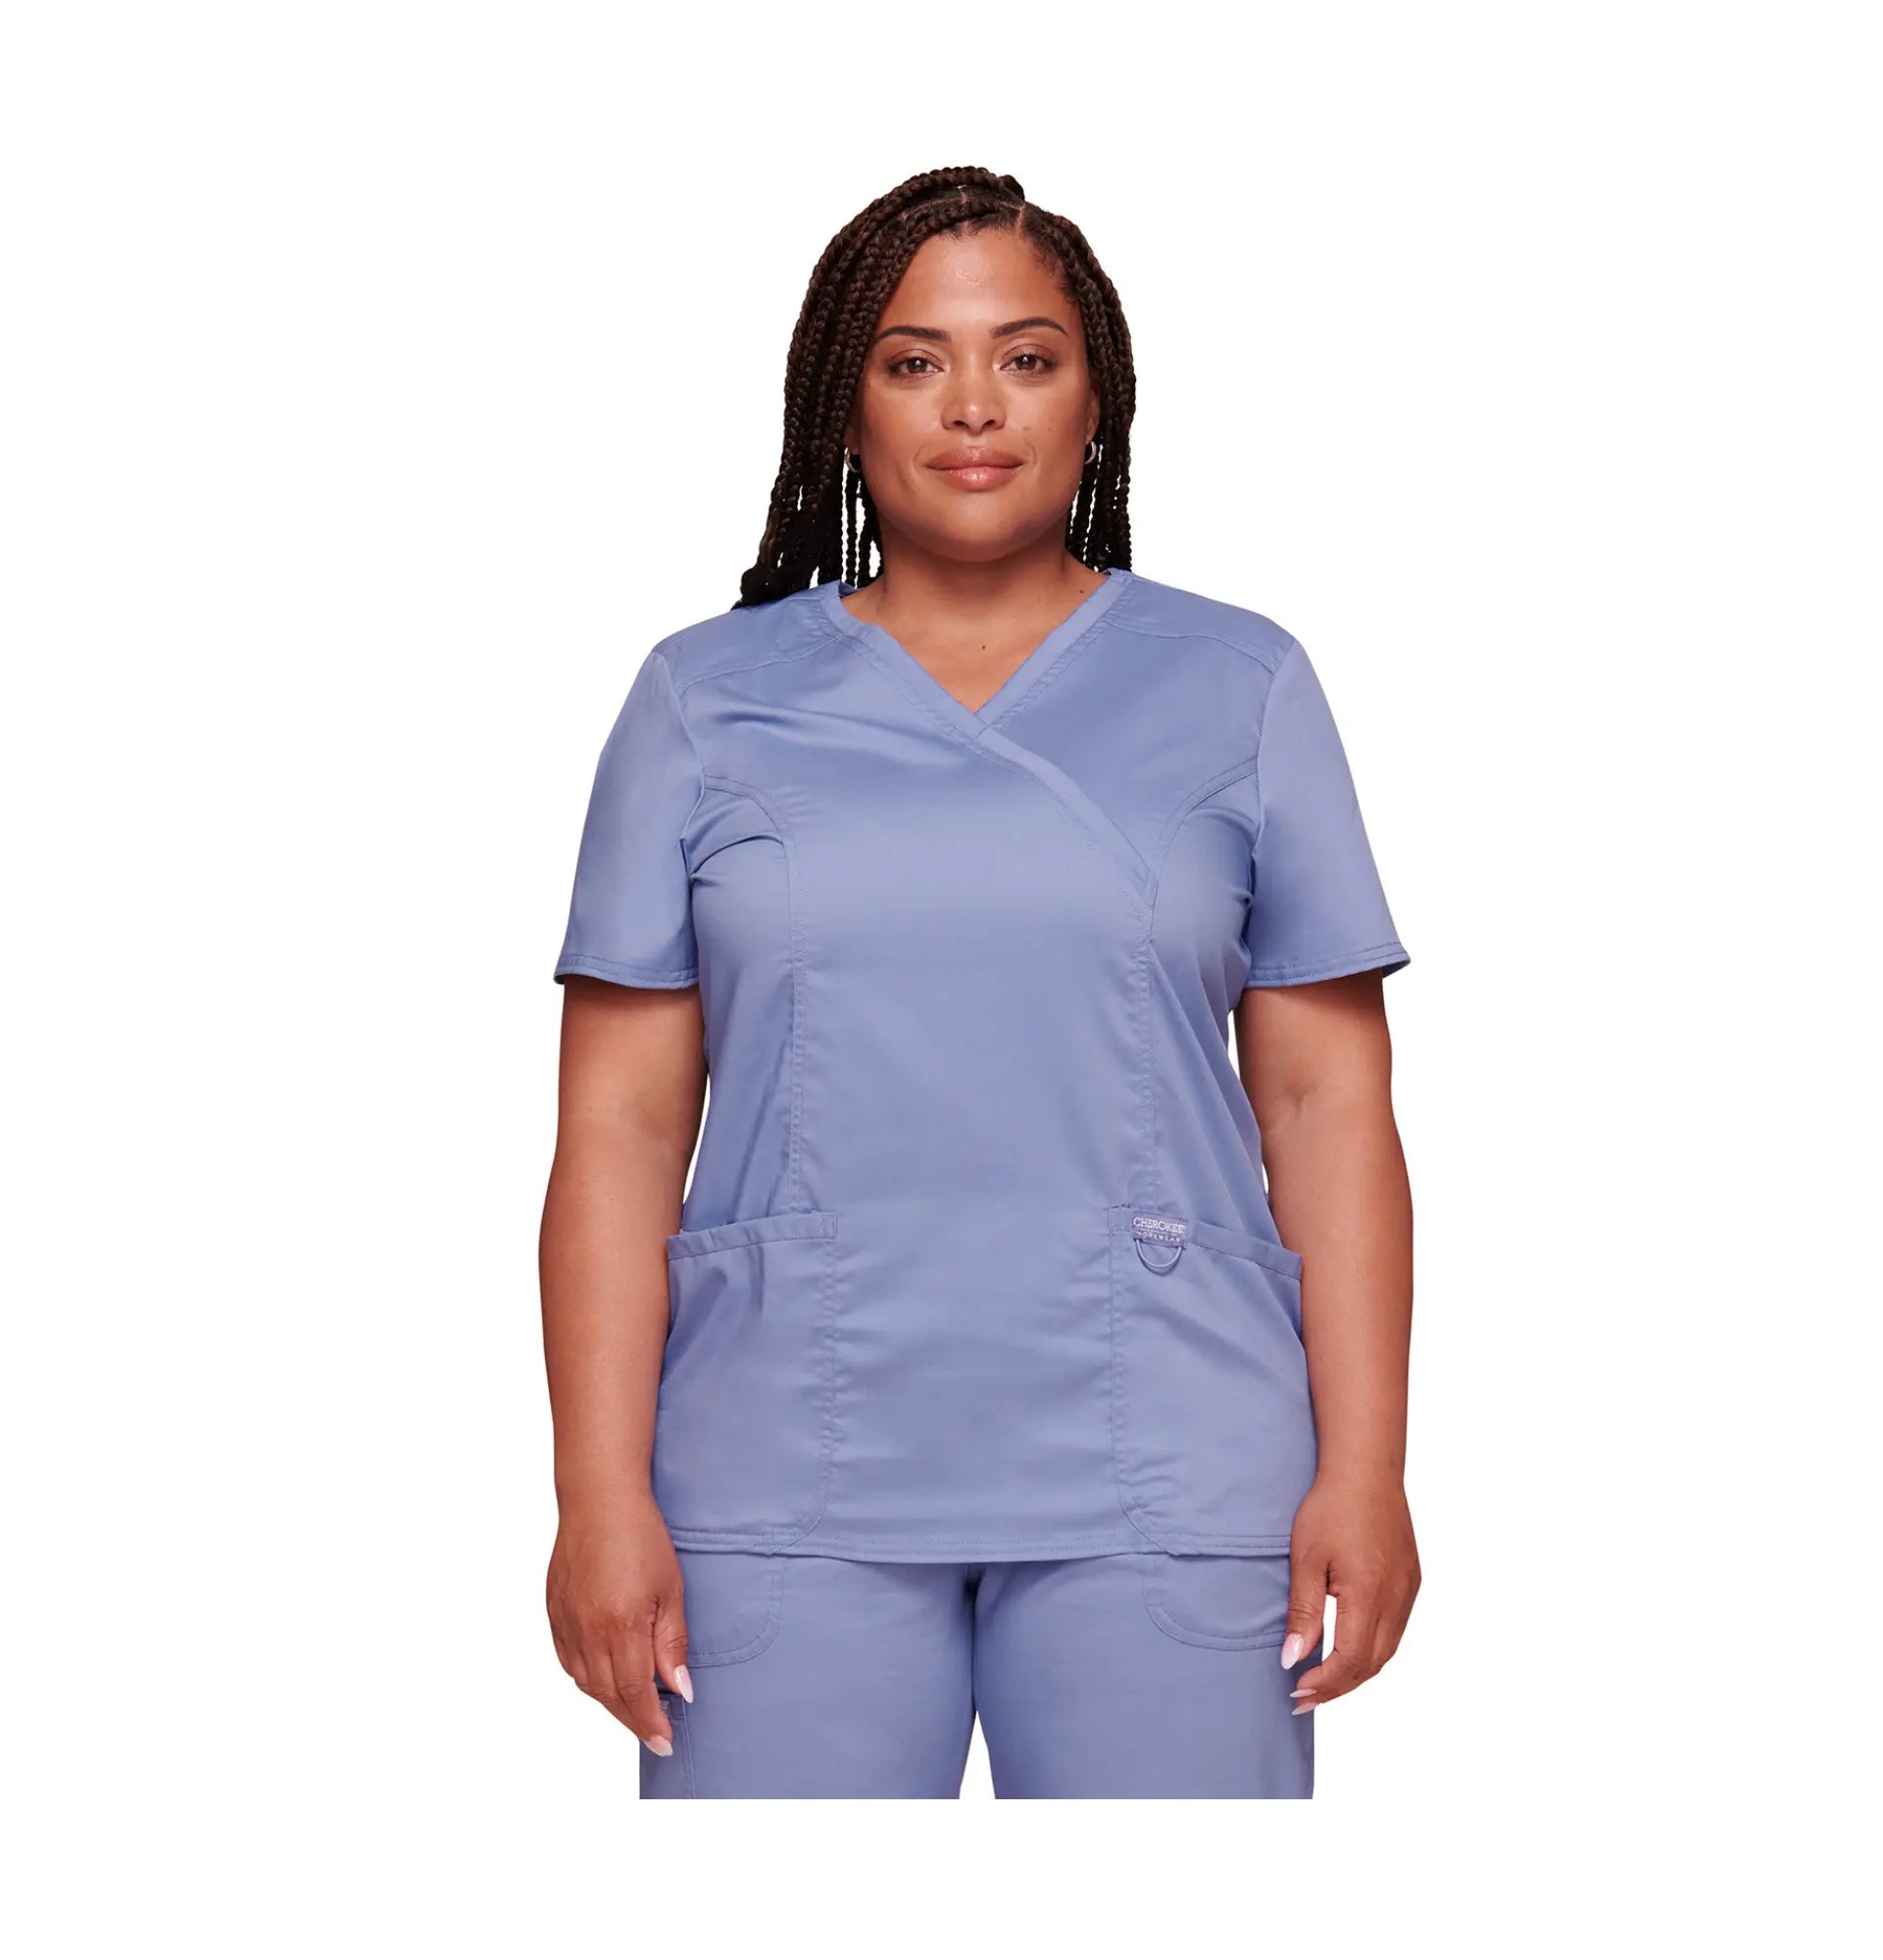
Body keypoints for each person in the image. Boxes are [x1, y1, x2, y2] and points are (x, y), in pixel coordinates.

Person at [539, 167, 1418, 1799]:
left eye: (1026, 357)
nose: (973, 407)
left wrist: (1367, 1467)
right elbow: (618, 1133)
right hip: (779, 1466)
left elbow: (1326, 1105)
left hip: (1170, 1460)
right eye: (912, 360)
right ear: (842, 403)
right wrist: (598, 1495)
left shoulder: (1240, 686)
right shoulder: (702, 702)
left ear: (1098, 396)